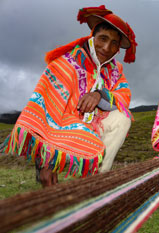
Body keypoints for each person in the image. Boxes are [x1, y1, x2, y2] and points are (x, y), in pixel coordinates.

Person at [0, 5, 137, 187]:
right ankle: (47, 160)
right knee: (49, 170)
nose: (107, 47)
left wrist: (99, 94)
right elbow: (47, 110)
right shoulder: (66, 62)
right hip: (63, 127)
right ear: (92, 37)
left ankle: (93, 183)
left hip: (93, 126)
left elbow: (124, 95)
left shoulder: (115, 70)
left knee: (122, 119)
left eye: (114, 43)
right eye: (103, 39)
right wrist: (46, 162)